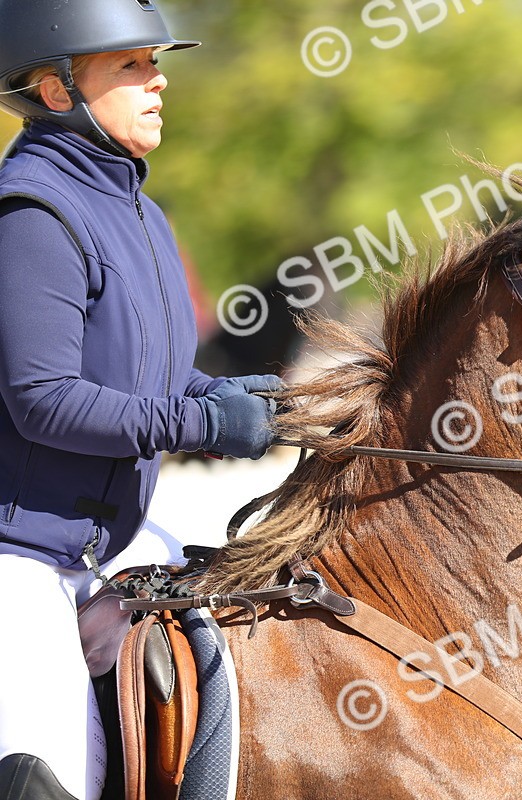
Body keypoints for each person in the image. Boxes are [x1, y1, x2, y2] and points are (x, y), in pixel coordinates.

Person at [0, 2, 281, 798]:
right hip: (19, 557)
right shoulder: (31, 214)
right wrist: (203, 422)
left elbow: (152, 379)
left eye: (156, 61)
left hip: (112, 541)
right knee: (43, 777)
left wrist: (239, 396)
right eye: (130, 65)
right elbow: (43, 401)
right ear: (56, 92)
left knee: (233, 657)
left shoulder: (141, 213)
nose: (159, 80)